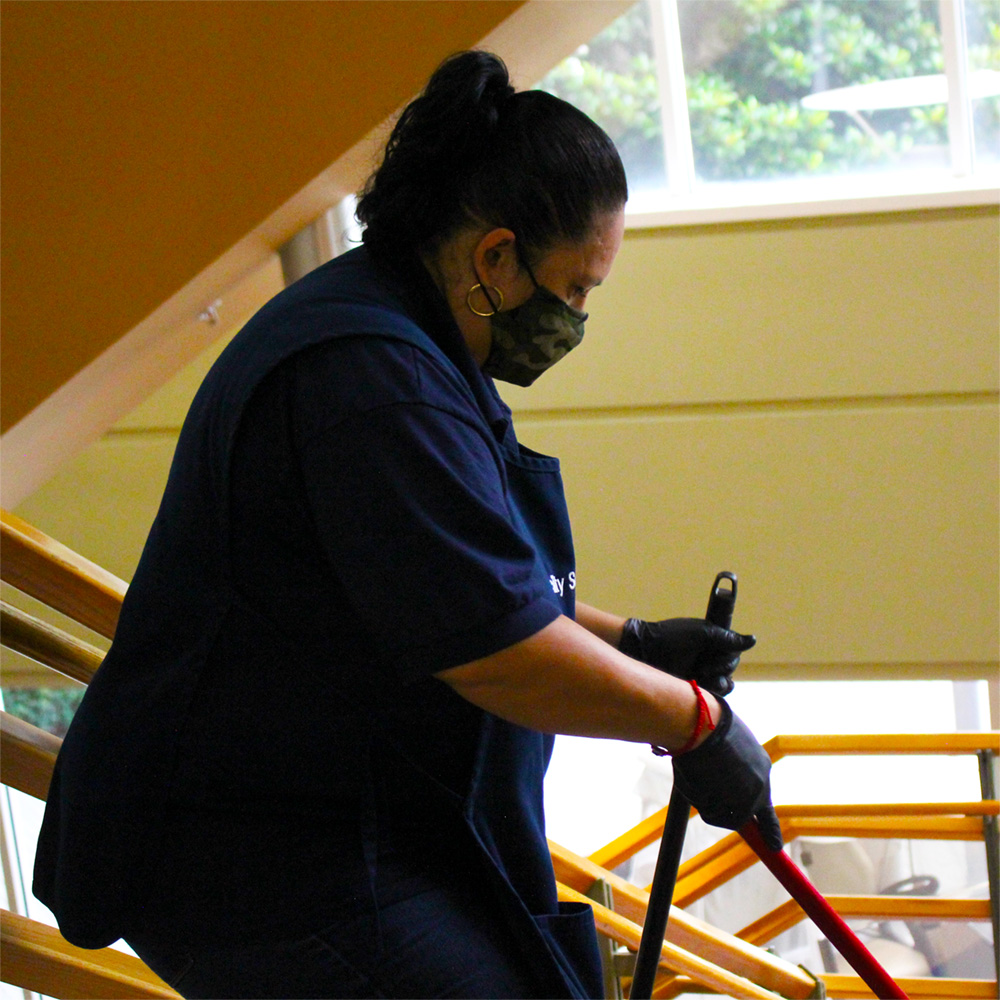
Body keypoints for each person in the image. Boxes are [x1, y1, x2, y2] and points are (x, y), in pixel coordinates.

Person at [33, 50, 781, 999]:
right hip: (258, 863)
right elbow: (496, 652)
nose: (578, 316)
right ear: (495, 257)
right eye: (577, 288)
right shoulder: (372, 382)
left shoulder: (408, 333)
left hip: (340, 822)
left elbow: (465, 585)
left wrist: (633, 643)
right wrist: (696, 723)